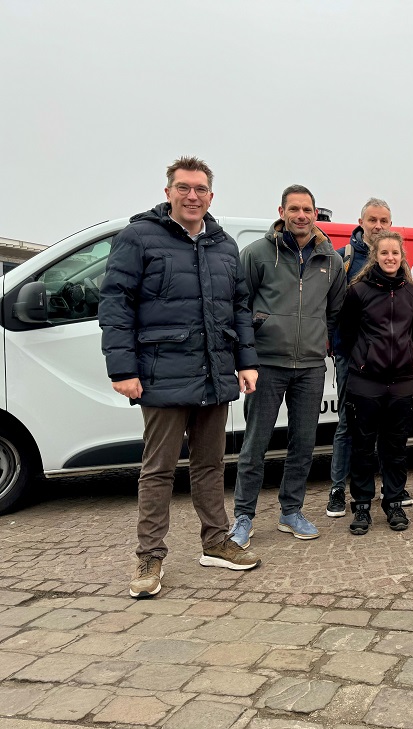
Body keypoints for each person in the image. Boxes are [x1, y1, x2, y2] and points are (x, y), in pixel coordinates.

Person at [99, 156, 261, 599]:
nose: (193, 196)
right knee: (158, 471)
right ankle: (150, 555)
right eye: (184, 188)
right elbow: (116, 304)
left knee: (211, 466)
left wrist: (246, 362)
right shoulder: (138, 237)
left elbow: (239, 310)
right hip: (162, 375)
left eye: (201, 189)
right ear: (168, 190)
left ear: (211, 195)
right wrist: (123, 368)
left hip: (213, 374)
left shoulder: (225, 245)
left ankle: (215, 542)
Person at [228, 185, 346, 549]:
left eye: (306, 209)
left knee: (303, 444)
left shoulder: (332, 261)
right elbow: (239, 307)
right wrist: (246, 355)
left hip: (310, 366)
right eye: (293, 209)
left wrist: (322, 341)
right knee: (255, 443)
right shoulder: (257, 254)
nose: (300, 215)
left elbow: (336, 311)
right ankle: (243, 516)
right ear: (281, 211)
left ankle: (290, 511)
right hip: (267, 363)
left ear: (315, 213)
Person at [338, 231, 413, 535]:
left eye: (395, 253)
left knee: (396, 448)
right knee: (362, 448)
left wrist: (398, 359)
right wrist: (366, 360)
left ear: (403, 257)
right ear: (375, 255)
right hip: (365, 383)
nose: (390, 258)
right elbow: (346, 335)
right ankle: (361, 506)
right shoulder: (358, 292)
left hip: (401, 383)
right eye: (384, 253)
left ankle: (393, 502)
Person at [327, 198, 408, 517]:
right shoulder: (343, 259)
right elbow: (334, 311)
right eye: (372, 219)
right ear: (360, 222)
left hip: (391, 364)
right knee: (349, 424)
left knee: (390, 428)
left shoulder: (401, 263)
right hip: (354, 361)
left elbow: (411, 315)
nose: (378, 226)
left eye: (384, 220)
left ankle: (393, 489)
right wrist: (343, 350)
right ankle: (337, 488)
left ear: (391, 224)